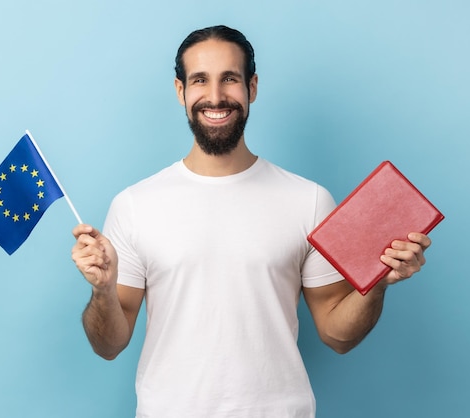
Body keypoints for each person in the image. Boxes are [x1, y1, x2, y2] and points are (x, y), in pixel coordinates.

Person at [71, 25, 431, 418]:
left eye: (229, 78)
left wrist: (377, 282)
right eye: (199, 80)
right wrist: (103, 291)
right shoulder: (134, 205)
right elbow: (109, 345)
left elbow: (336, 335)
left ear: (252, 87)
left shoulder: (308, 200)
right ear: (181, 91)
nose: (215, 96)